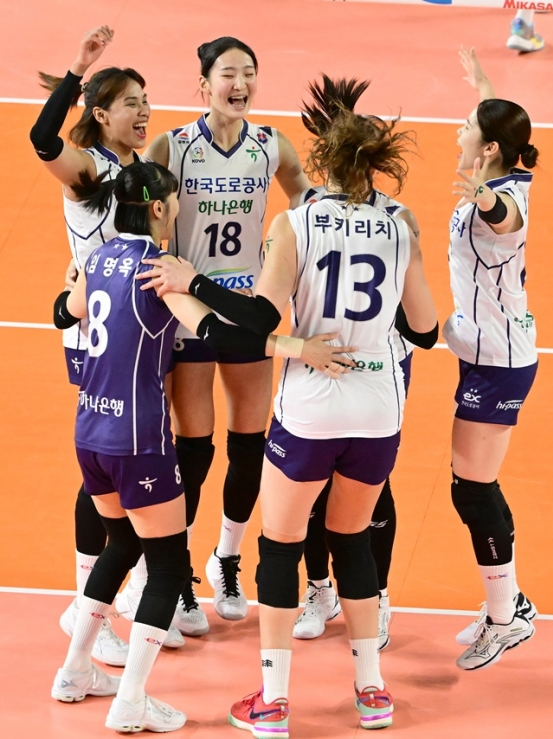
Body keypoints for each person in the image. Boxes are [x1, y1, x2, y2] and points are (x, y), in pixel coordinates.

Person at [139, 75, 437, 734]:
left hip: (310, 406)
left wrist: (195, 282)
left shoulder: (295, 223)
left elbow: (255, 321)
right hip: (378, 406)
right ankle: (372, 692)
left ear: (323, 160)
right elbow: (423, 330)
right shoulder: (401, 225)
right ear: (375, 162)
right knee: (352, 539)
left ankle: (273, 701)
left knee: (281, 544)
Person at [50, 160, 350, 734]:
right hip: (137, 441)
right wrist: (299, 347)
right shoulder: (157, 272)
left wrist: (70, 291)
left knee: (120, 544)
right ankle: (131, 701)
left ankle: (73, 671)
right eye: (175, 202)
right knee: (167, 566)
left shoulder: (98, 257)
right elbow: (221, 335)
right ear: (159, 208)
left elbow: (65, 311)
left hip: (89, 430)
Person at [127, 36, 312, 630]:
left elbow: (305, 201)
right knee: (195, 448)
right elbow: (136, 209)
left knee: (250, 443)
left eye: (249, 72)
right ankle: (176, 570)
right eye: (229, 73)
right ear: (204, 86)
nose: (241, 83)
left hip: (244, 307)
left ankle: (226, 557)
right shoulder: (174, 146)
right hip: (187, 309)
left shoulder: (270, 145)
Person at [28, 25, 188, 659]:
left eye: (147, 101)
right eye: (130, 103)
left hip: (135, 322)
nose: (144, 111)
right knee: (107, 458)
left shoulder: (132, 170)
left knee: (126, 455)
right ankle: (85, 604)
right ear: (100, 113)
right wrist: (77, 68)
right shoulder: (91, 166)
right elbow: (42, 141)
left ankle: (128, 589)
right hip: (100, 330)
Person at [289, 77, 437, 647]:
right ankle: (319, 588)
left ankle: (377, 594)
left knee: (370, 486)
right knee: (310, 484)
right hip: (319, 360)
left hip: (379, 363)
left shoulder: (399, 219)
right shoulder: (309, 211)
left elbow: (414, 314)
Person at [446, 47, 539, 670]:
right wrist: (483, 84)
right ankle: (511, 604)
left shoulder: (505, 202)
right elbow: (493, 128)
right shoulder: (505, 171)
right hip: (485, 351)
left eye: (468, 127)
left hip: (499, 362)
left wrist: (482, 197)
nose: (459, 131)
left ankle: (506, 621)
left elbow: (505, 220)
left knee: (471, 489)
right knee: (473, 485)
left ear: (490, 151)